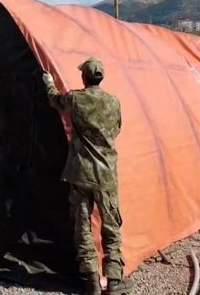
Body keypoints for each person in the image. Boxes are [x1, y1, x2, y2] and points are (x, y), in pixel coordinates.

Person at [42, 57, 132, 295]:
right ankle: (114, 280)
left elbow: (54, 100)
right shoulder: (113, 102)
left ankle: (91, 279)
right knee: (111, 227)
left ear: (84, 77)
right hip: (106, 176)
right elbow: (117, 128)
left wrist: (49, 82)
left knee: (82, 226)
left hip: (80, 172)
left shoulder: (75, 99)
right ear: (101, 78)